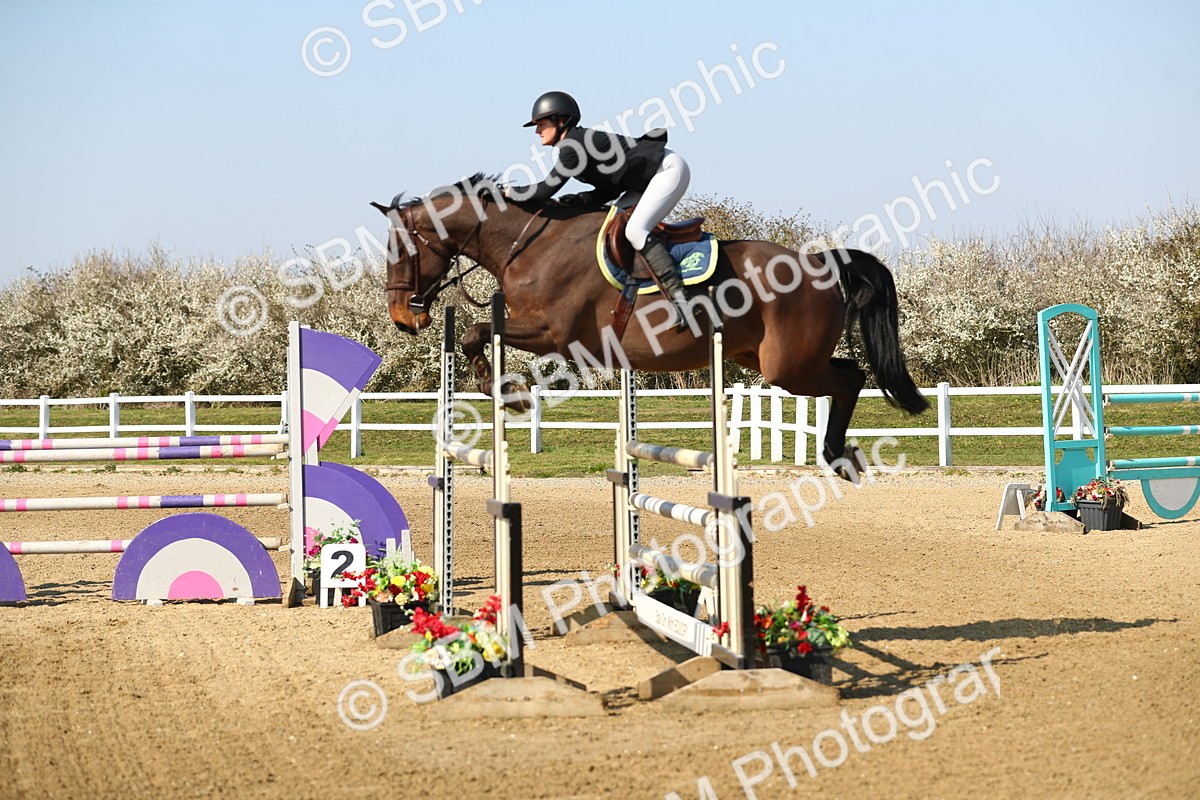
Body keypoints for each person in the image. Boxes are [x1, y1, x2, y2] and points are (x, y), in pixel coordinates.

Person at [504, 91, 692, 329]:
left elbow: (544, 190)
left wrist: (507, 192)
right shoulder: (574, 143)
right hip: (643, 182)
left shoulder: (572, 146)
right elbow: (610, 190)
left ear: (560, 121)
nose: (537, 131)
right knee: (611, 227)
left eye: (541, 124)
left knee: (635, 231)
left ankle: (682, 300)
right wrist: (581, 199)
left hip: (667, 171)